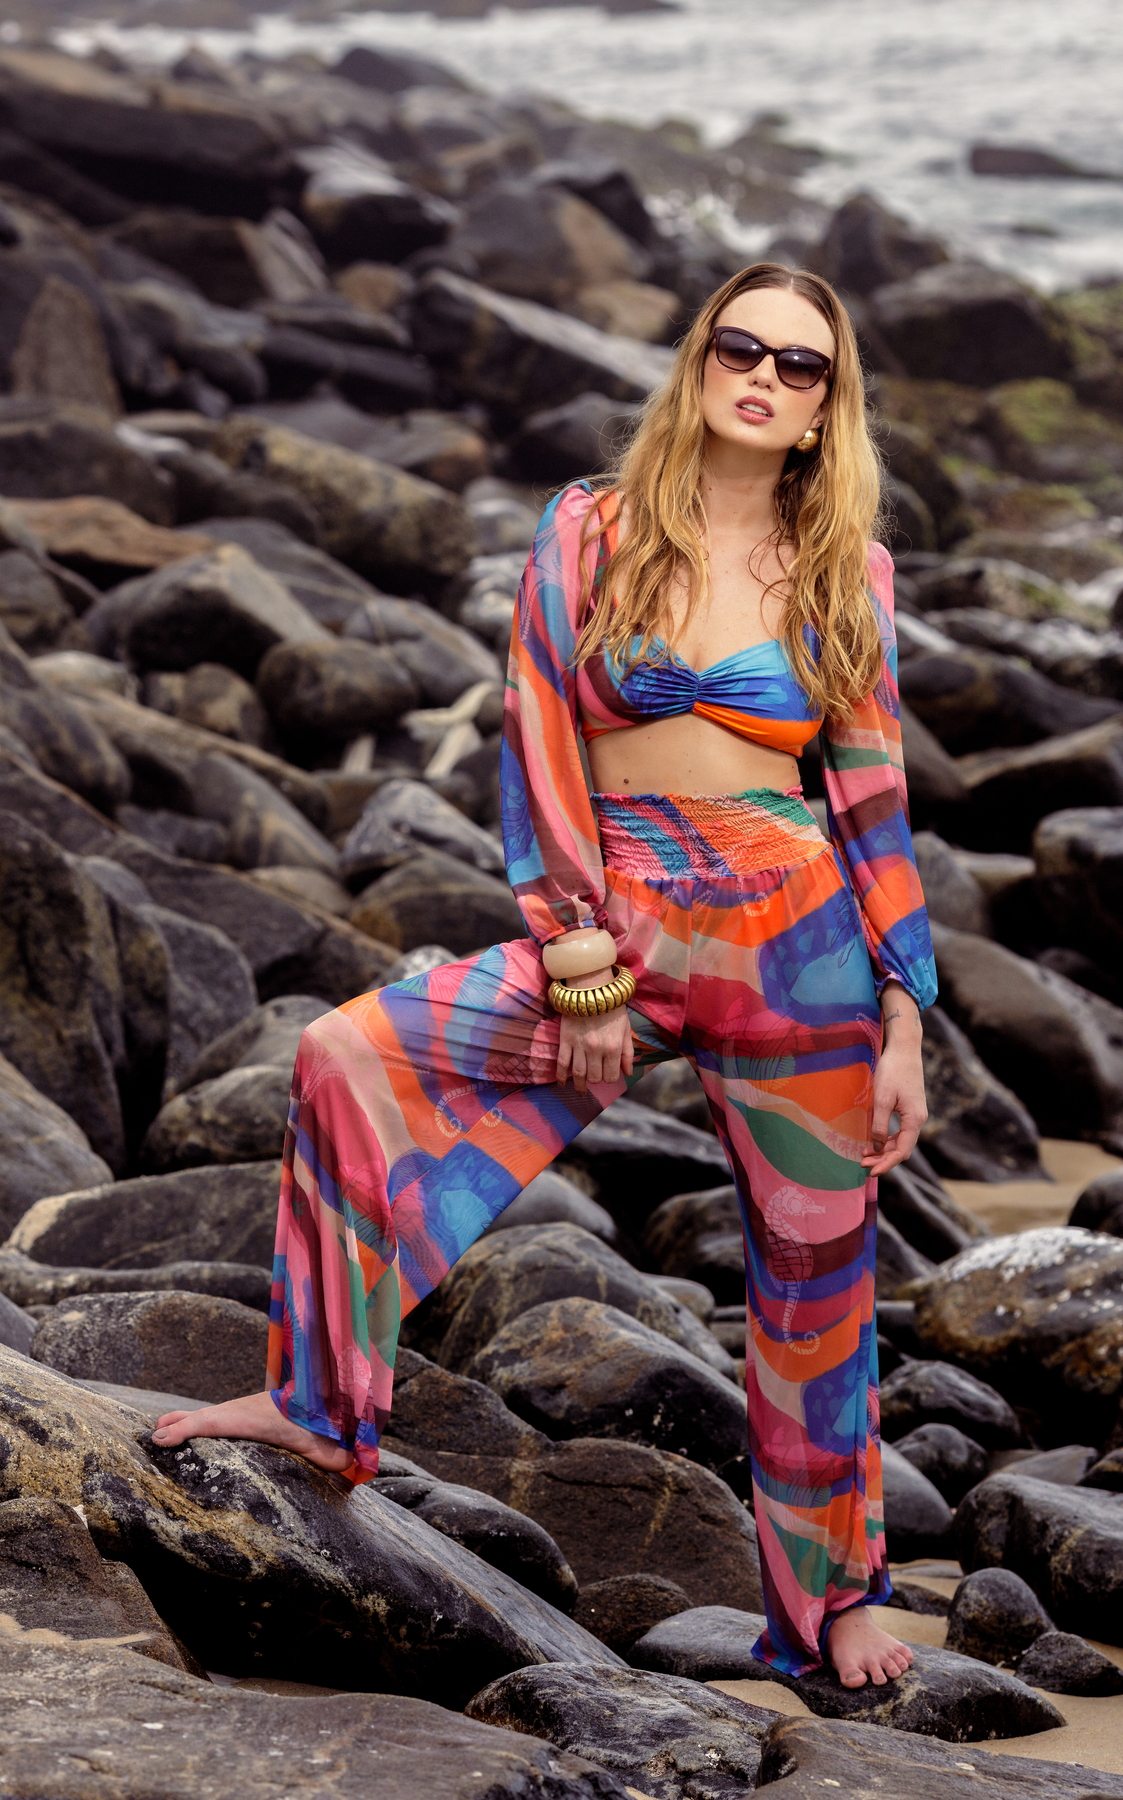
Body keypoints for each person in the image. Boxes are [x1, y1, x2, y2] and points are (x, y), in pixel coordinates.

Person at [154, 261, 936, 1691]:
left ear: (829, 407)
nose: (763, 378)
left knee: (816, 1282)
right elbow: (539, 738)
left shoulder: (848, 573)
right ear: (699, 360)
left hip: (798, 940)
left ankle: (836, 1603)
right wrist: (581, 968)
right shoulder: (593, 527)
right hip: (619, 917)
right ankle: (320, 1408)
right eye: (740, 347)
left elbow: (873, 804)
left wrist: (904, 1013)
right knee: (348, 1056)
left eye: (800, 366)